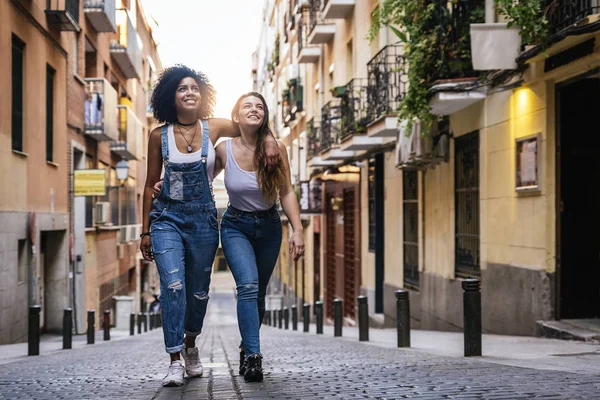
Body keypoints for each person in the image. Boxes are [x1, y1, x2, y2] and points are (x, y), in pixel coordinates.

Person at [140, 66, 280, 387]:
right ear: (170, 96)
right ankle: (174, 359)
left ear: (203, 96)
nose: (189, 93)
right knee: (173, 286)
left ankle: (191, 346)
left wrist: (270, 140)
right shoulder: (156, 136)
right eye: (181, 89)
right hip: (167, 220)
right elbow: (149, 185)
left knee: (198, 292)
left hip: (203, 221)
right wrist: (145, 230)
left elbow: (252, 124)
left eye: (195, 89)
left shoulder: (213, 127)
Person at [217, 92, 304, 382]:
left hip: (268, 227)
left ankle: (246, 346)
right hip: (235, 226)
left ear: (265, 116)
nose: (254, 110)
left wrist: (297, 229)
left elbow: (287, 191)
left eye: (260, 107)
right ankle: (254, 356)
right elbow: (200, 178)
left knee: (259, 294)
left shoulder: (277, 148)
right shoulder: (223, 149)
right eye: (247, 106)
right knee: (248, 286)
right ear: (236, 116)